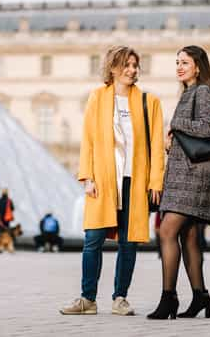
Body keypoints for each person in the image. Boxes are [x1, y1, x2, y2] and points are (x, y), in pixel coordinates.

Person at [60, 46, 165, 317]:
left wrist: (155, 182)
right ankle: (87, 298)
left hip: (134, 180)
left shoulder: (148, 102)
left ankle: (120, 298)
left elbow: (155, 145)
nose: (132, 70)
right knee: (92, 239)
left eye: (134, 65)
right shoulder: (97, 98)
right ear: (112, 68)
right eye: (126, 65)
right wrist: (87, 177)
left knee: (128, 243)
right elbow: (89, 141)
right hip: (104, 181)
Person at [147, 45, 210, 320]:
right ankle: (200, 296)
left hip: (192, 175)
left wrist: (177, 126)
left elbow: (208, 127)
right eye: (177, 62)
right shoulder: (189, 92)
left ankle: (169, 299)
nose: (179, 67)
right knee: (188, 236)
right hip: (186, 171)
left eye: (185, 62)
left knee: (166, 231)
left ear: (198, 66)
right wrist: (172, 144)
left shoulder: (201, 92)